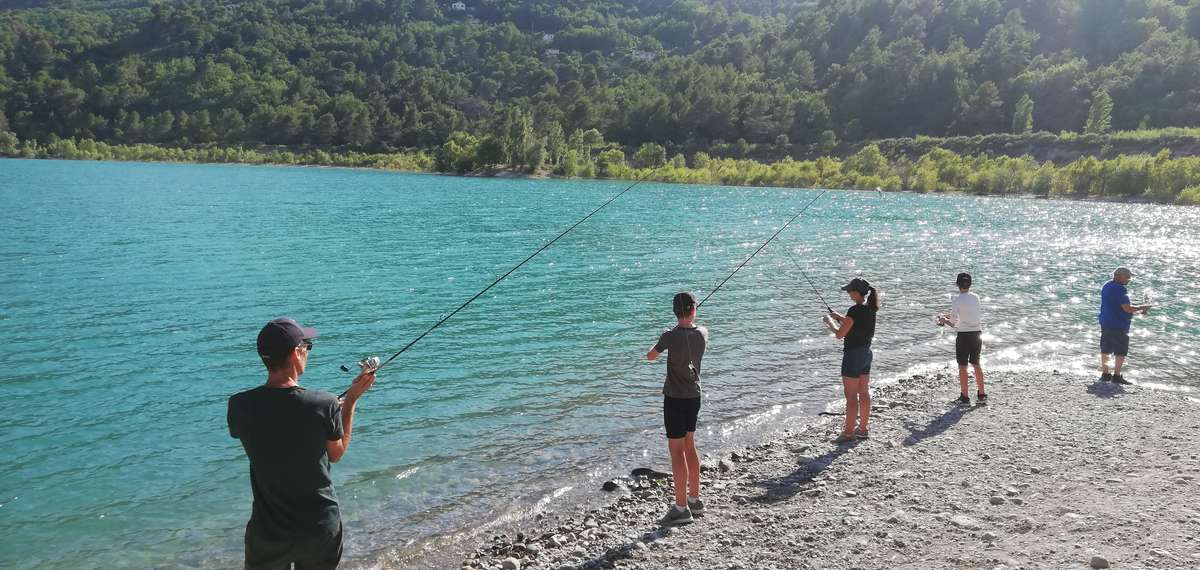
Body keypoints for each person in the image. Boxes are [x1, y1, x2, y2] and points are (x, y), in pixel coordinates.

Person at [228, 317, 377, 570]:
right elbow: (336, 453)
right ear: (296, 353)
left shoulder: (239, 405)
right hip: (318, 527)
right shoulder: (324, 404)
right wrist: (349, 402)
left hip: (267, 532)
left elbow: (275, 427)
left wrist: (320, 415)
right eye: (307, 347)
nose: (308, 352)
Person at [646, 292, 708, 526]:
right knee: (690, 445)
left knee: (676, 451)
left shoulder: (668, 336)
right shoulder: (703, 333)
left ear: (674, 311)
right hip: (694, 397)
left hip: (674, 399)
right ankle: (695, 500)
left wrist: (666, 337)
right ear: (694, 310)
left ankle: (681, 509)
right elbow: (690, 333)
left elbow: (650, 356)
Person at [824, 278, 879, 444]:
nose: (848, 293)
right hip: (866, 354)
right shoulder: (870, 309)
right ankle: (862, 429)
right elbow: (854, 324)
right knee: (863, 392)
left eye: (849, 291)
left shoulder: (854, 311)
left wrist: (830, 321)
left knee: (850, 396)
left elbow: (840, 334)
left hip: (853, 356)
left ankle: (848, 433)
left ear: (856, 292)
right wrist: (840, 316)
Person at [937, 273, 987, 405]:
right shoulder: (976, 297)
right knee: (976, 363)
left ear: (957, 285)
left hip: (964, 335)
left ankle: (965, 397)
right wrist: (949, 314)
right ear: (970, 284)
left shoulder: (956, 300)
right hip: (977, 333)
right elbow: (968, 312)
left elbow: (953, 323)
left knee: (963, 366)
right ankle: (982, 394)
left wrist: (943, 319)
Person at [1098, 267, 1152, 385]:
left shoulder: (1106, 285)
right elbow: (1127, 308)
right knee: (1120, 351)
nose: (1129, 280)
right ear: (1118, 276)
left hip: (1105, 322)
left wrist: (1140, 308)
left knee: (1105, 348)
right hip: (1118, 324)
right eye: (1127, 277)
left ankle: (1105, 374)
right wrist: (1143, 307)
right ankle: (1116, 376)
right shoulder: (1120, 289)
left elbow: (1118, 305)